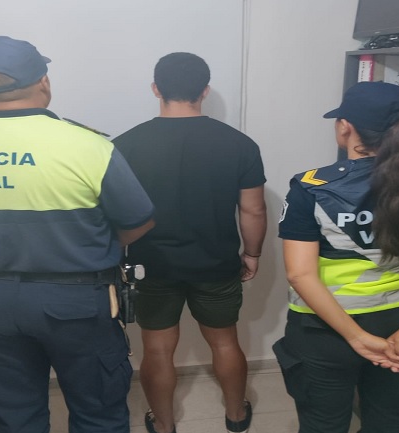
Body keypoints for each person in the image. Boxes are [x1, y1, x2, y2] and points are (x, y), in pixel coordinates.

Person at [0, 36, 155, 433]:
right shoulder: (87, 145)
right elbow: (140, 220)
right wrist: (85, 245)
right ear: (44, 82)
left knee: (14, 418)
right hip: (76, 303)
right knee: (98, 415)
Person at [274, 81, 399, 433]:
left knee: (323, 424)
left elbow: (300, 274)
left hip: (327, 332)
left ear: (345, 127)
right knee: (390, 421)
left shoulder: (312, 189)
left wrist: (355, 336)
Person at [113, 52, 267, 433]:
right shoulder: (239, 144)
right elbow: (253, 210)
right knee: (225, 343)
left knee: (157, 349)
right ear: (205, 91)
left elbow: (114, 215)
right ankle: (236, 416)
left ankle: (164, 424)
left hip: (151, 265)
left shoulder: (124, 146)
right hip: (216, 264)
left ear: (156, 89)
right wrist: (252, 254)